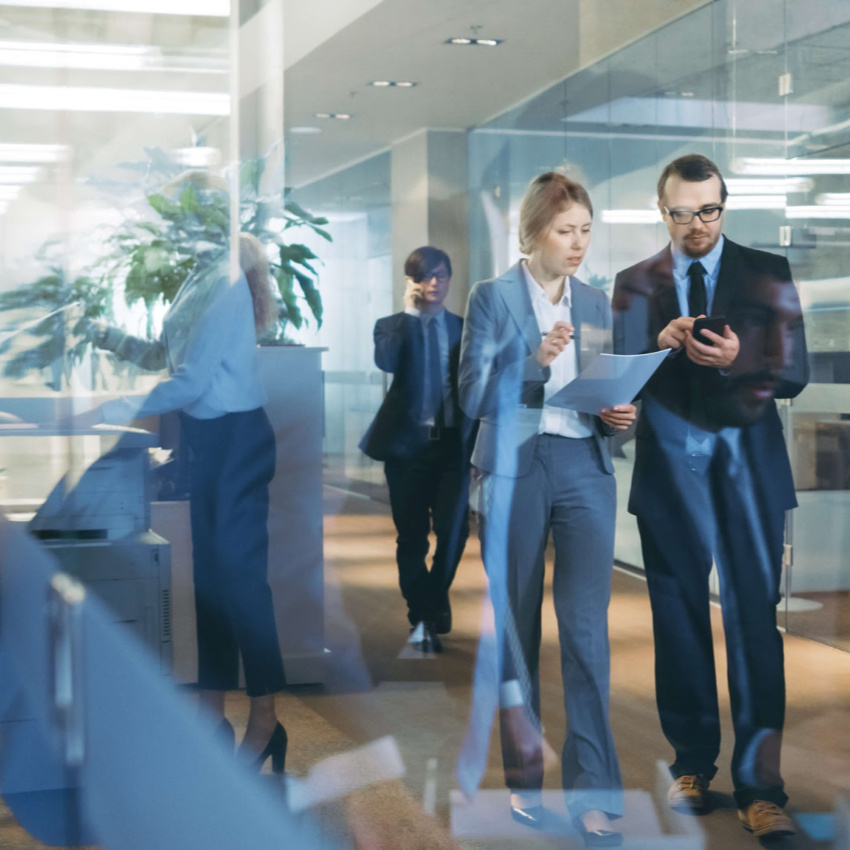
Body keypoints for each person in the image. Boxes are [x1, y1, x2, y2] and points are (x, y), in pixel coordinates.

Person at [612, 153, 808, 840]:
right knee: (679, 624)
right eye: (681, 213)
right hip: (669, 482)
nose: (696, 225)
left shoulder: (767, 272)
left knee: (755, 628)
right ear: (660, 211)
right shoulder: (634, 284)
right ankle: (692, 762)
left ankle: (762, 787)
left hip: (749, 481)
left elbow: (796, 372)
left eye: (709, 210)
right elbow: (617, 389)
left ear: (726, 205)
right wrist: (656, 350)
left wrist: (741, 362)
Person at [458, 172, 636, 846]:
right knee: (515, 633)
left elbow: (604, 387)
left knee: (587, 634)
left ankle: (594, 796)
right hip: (513, 471)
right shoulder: (491, 298)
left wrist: (622, 414)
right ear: (533, 232)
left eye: (586, 230)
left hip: (585, 468)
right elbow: (473, 395)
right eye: (566, 231)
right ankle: (526, 785)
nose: (577, 243)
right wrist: (532, 362)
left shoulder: (595, 301)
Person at [89, 221, 288, 773]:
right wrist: (101, 332)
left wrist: (109, 409)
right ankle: (211, 715)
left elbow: (193, 381)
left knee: (243, 588)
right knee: (210, 587)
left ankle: (267, 720)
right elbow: (162, 355)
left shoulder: (223, 284)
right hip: (209, 444)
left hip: (238, 443)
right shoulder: (196, 283)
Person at [360, 246, 475, 653]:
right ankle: (421, 616)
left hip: (451, 448)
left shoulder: (464, 327)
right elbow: (387, 362)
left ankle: (433, 595)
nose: (434, 284)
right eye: (424, 277)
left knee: (455, 531)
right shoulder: (390, 325)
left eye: (441, 276)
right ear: (410, 282)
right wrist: (410, 316)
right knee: (412, 538)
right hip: (406, 450)